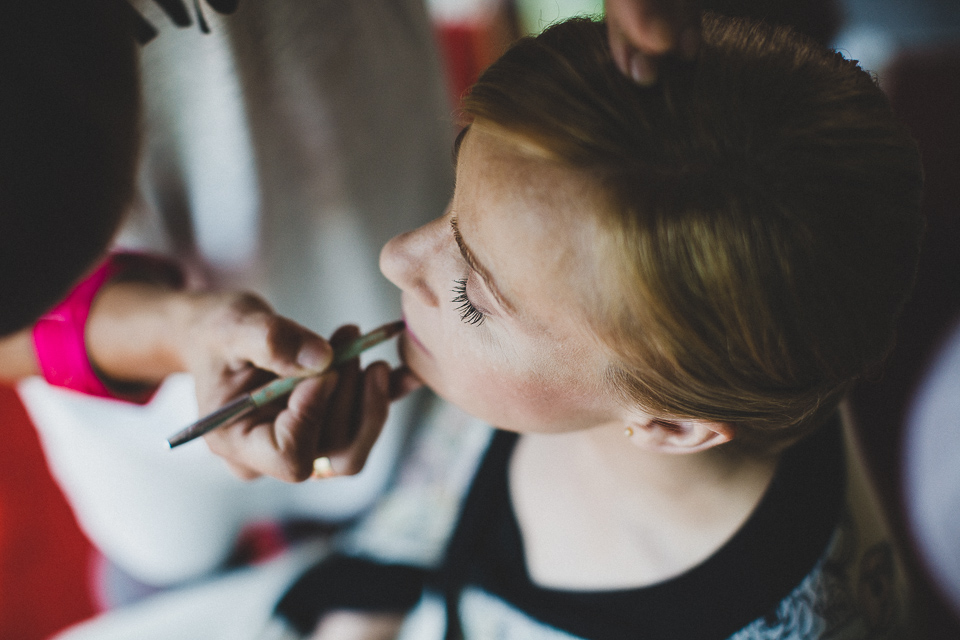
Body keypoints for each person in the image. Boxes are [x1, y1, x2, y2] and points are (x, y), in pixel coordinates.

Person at [56, 11, 925, 640]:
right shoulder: (560, 383)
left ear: (668, 425)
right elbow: (412, 539)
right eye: (453, 192)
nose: (396, 255)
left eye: (472, 295)